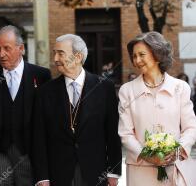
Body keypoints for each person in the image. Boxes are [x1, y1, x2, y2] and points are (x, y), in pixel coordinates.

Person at [32, 34, 122, 186]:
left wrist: (114, 171)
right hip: (58, 174)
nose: (55, 59)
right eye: (55, 53)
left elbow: (112, 134)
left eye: (60, 53)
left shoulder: (104, 88)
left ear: (78, 56)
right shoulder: (45, 92)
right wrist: (42, 177)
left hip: (95, 173)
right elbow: (38, 138)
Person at [0, 25, 51, 186]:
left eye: (7, 48)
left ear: (21, 48)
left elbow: (48, 124)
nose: (1, 54)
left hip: (29, 154)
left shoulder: (42, 76)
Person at [118, 31, 196, 186]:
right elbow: (126, 133)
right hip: (140, 171)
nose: (137, 60)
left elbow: (190, 128)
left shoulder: (180, 87)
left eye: (142, 54)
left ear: (157, 55)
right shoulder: (127, 91)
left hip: (175, 168)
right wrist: (147, 155)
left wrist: (178, 150)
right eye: (134, 56)